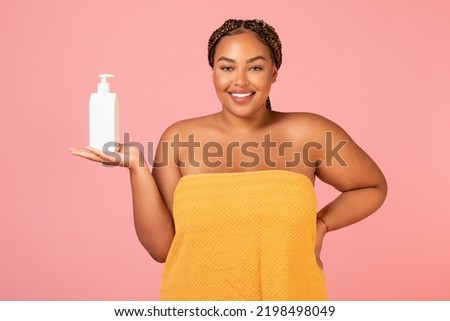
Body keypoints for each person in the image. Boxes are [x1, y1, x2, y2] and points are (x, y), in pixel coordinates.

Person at [70, 19, 387, 300]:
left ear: (273, 73)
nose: (240, 80)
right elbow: (162, 248)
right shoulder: (180, 139)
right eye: (227, 67)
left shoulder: (310, 133)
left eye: (255, 67)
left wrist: (320, 223)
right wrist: (138, 166)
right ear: (212, 73)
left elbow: (371, 186)